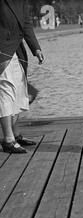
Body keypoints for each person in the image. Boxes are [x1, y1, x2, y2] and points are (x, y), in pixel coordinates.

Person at [0, 0, 45, 154]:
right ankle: (8, 140)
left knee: (19, 92)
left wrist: (36, 49)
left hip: (16, 51)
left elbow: (26, 24)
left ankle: (16, 134)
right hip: (2, 52)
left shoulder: (22, 2)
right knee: (6, 92)